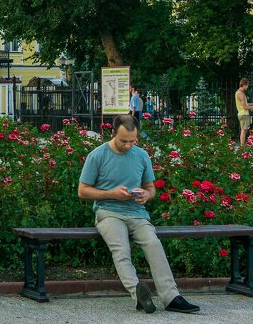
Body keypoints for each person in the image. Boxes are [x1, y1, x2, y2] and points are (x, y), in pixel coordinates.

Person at [77, 113, 200, 314]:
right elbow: (82, 190)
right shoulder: (97, 155)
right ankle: (139, 295)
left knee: (154, 244)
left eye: (132, 141)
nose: (128, 146)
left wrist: (146, 195)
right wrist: (112, 194)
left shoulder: (141, 155)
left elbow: (150, 187)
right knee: (121, 250)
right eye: (124, 141)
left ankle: (171, 297)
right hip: (108, 212)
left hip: (136, 212)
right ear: (113, 133)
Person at [234, 78, 253, 149]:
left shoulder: (237, 92)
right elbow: (245, 107)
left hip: (241, 113)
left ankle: (242, 145)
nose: (247, 87)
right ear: (244, 85)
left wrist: (252, 104)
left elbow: (245, 104)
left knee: (244, 130)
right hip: (244, 114)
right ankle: (242, 146)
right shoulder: (241, 94)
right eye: (247, 85)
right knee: (244, 130)